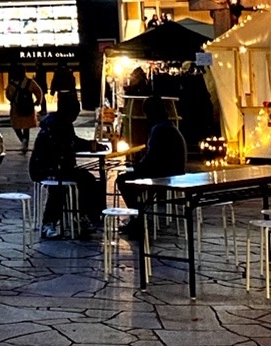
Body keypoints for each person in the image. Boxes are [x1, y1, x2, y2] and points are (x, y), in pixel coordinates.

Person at [28, 88, 105, 238]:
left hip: (59, 166)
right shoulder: (54, 125)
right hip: (46, 168)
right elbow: (63, 146)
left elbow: (73, 142)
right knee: (62, 187)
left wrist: (91, 145)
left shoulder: (64, 123)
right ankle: (49, 223)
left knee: (87, 179)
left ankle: (82, 216)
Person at [116, 94, 188, 236]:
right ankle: (139, 213)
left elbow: (152, 159)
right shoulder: (168, 126)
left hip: (164, 173)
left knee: (123, 180)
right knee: (133, 178)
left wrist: (137, 167)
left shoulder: (159, 129)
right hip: (172, 170)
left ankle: (137, 216)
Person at [5, 64, 44, 155]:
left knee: (16, 126)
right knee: (26, 127)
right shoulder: (29, 82)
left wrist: (14, 100)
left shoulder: (11, 84)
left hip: (16, 108)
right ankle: (25, 142)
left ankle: (23, 140)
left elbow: (8, 95)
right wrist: (38, 101)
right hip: (28, 107)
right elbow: (39, 91)